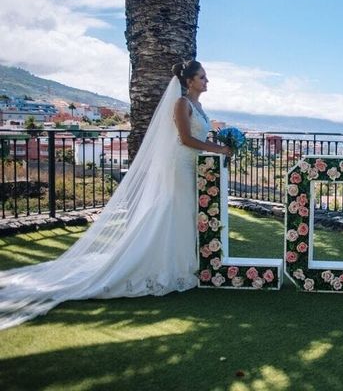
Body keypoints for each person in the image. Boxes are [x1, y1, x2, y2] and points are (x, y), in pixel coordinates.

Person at [0, 60, 232, 329]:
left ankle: (182, 265)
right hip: (179, 164)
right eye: (202, 77)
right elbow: (184, 139)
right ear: (189, 81)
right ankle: (166, 267)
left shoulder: (199, 107)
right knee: (174, 208)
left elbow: (199, 138)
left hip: (192, 166)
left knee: (185, 210)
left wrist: (219, 146)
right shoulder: (182, 104)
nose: (207, 81)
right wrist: (219, 150)